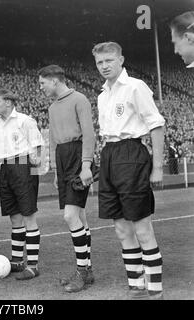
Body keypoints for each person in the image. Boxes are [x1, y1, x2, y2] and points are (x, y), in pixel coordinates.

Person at [92, 42, 165, 299]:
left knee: (142, 227)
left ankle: (155, 290)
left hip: (132, 154)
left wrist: (157, 167)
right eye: (100, 62)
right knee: (121, 228)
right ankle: (136, 285)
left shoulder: (135, 86)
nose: (104, 66)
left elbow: (156, 125)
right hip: (110, 155)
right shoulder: (102, 95)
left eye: (109, 60)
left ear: (121, 59)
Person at [38, 64, 96, 292]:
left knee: (70, 216)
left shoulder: (79, 99)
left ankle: (82, 272)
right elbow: (52, 140)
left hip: (77, 154)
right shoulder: (52, 108)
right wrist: (55, 170)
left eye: (42, 83)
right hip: (62, 159)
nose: (41, 87)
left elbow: (89, 133)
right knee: (80, 216)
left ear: (54, 80)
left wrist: (86, 165)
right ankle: (88, 270)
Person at [0, 88, 44, 280]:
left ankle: (33, 265)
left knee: (28, 216)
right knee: (15, 218)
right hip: (6, 169)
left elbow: (37, 147)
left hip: (23, 166)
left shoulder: (25, 121)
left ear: (8, 102)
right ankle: (17, 261)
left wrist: (33, 170)